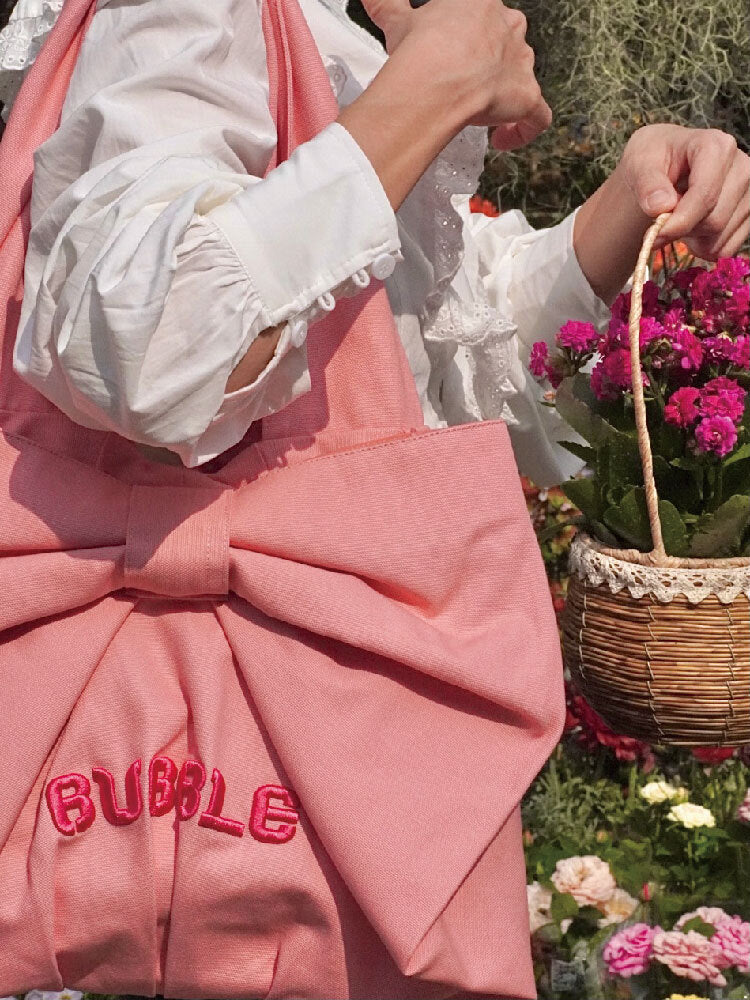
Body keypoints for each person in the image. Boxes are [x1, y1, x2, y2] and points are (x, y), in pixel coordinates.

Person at [3, 0, 745, 480]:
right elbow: (151, 341)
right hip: (255, 660)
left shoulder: (308, 28)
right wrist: (439, 83)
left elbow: (430, 351)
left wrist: (630, 200)